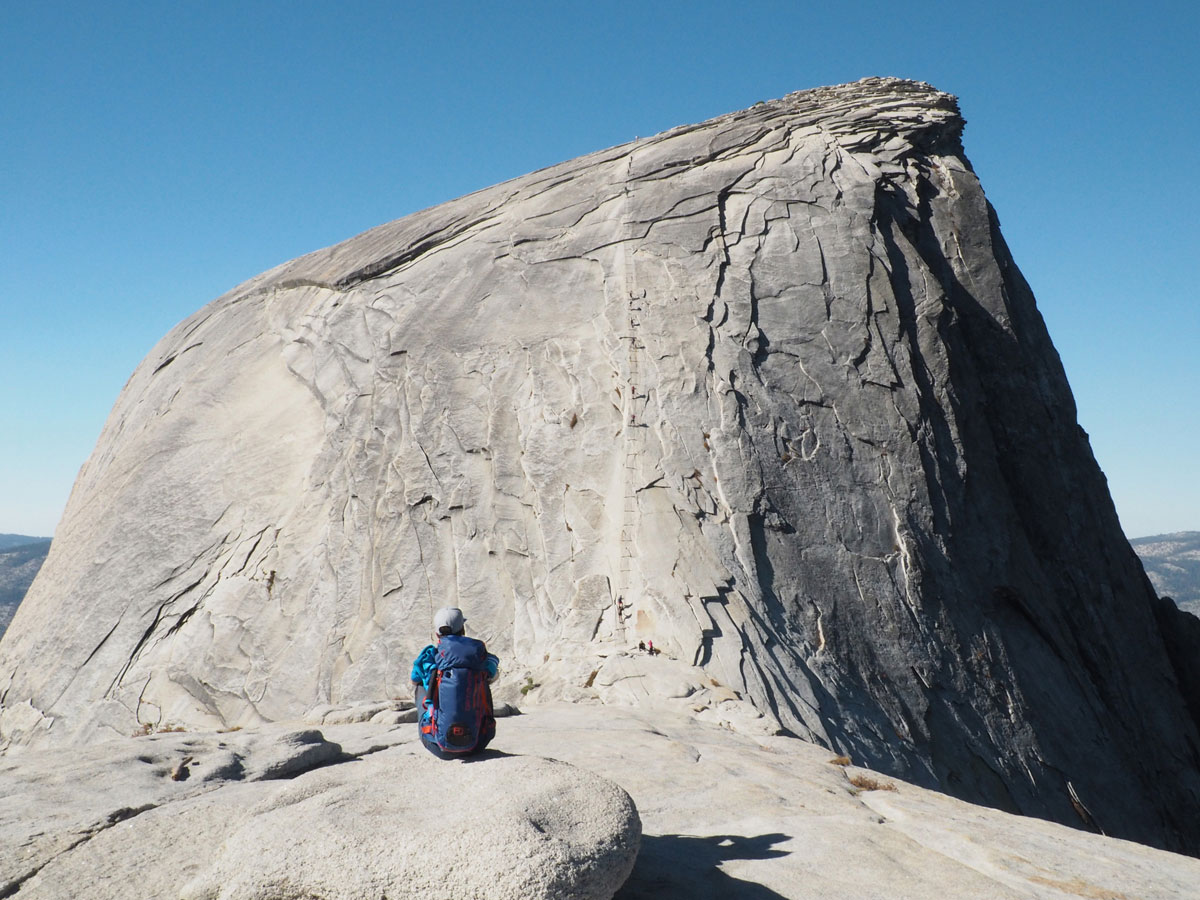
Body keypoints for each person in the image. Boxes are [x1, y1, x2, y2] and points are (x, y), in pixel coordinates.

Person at [411, 607, 499, 756]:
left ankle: (432, 727)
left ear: (437, 633)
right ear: (463, 629)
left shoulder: (430, 655)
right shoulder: (479, 653)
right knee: (483, 679)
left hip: (440, 748)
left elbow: (414, 680)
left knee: (420, 685)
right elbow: (494, 675)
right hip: (478, 743)